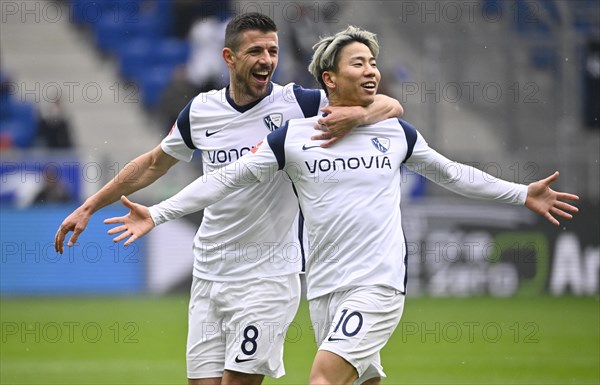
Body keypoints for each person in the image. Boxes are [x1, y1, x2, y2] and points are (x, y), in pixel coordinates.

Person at [103, 26, 580, 385]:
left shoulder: (396, 132)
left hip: (377, 284)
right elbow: (225, 179)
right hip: (325, 288)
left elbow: (453, 173)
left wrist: (521, 193)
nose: (371, 70)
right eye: (359, 63)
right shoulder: (291, 136)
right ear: (329, 78)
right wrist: (158, 212)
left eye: (373, 62)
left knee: (323, 380)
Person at [54, 14, 403, 385]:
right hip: (209, 276)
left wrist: (358, 112)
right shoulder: (201, 111)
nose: (267, 59)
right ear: (229, 57)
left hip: (268, 277)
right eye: (255, 50)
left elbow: (391, 107)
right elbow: (154, 163)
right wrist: (91, 205)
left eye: (273, 50)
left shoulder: (299, 105)